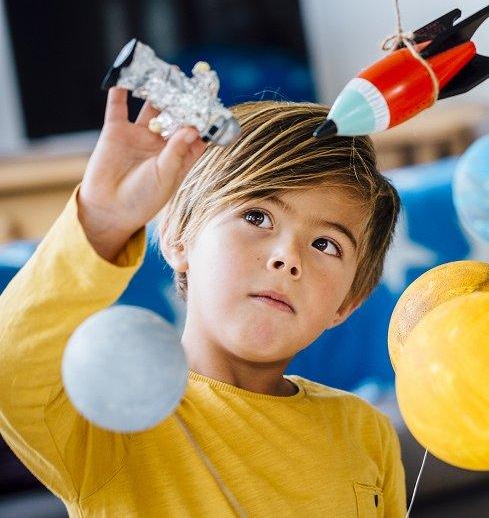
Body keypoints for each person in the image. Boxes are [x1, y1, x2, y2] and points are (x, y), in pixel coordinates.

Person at [0, 87, 405, 516]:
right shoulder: (115, 416)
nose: (288, 257)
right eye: (257, 217)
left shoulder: (367, 432)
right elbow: (11, 363)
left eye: (325, 244)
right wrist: (102, 223)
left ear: (349, 302)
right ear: (177, 235)